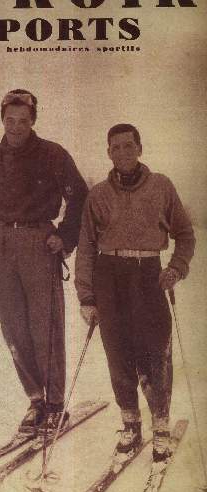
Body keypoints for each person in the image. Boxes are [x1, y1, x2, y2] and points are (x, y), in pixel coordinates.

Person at [0, 89, 88, 434]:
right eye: (10, 119)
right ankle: (35, 399)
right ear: (2, 118)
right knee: (13, 326)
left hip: (40, 242)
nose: (16, 126)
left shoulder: (53, 154)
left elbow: (79, 197)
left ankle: (56, 403)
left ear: (33, 121)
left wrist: (66, 235)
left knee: (44, 326)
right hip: (3, 243)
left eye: (23, 121)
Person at [75, 123, 195, 462]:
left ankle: (160, 425)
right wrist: (86, 295)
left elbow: (185, 236)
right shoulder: (97, 194)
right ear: (108, 152)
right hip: (109, 275)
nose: (123, 153)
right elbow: (85, 246)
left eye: (129, 146)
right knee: (118, 353)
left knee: (155, 352)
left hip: (148, 275)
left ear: (139, 148)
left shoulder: (161, 186)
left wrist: (176, 268)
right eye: (116, 147)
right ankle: (130, 423)